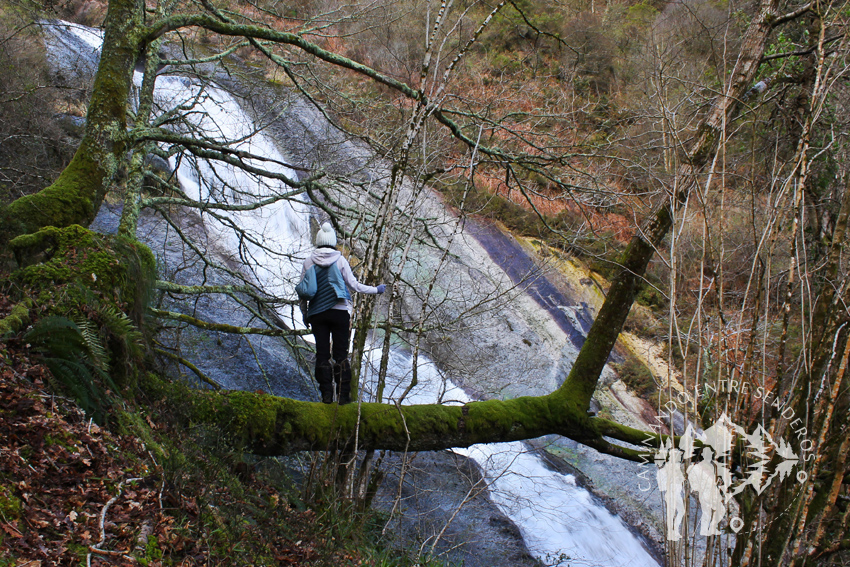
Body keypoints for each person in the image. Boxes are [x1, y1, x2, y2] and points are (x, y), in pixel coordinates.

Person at [300, 222, 385, 404]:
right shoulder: (340, 260)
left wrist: (304, 313)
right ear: (332, 242)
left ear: (318, 241)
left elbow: (303, 292)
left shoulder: (308, 262)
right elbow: (354, 285)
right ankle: (343, 396)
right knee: (341, 355)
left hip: (317, 315)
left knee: (322, 354)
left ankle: (326, 395)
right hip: (339, 313)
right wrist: (376, 290)